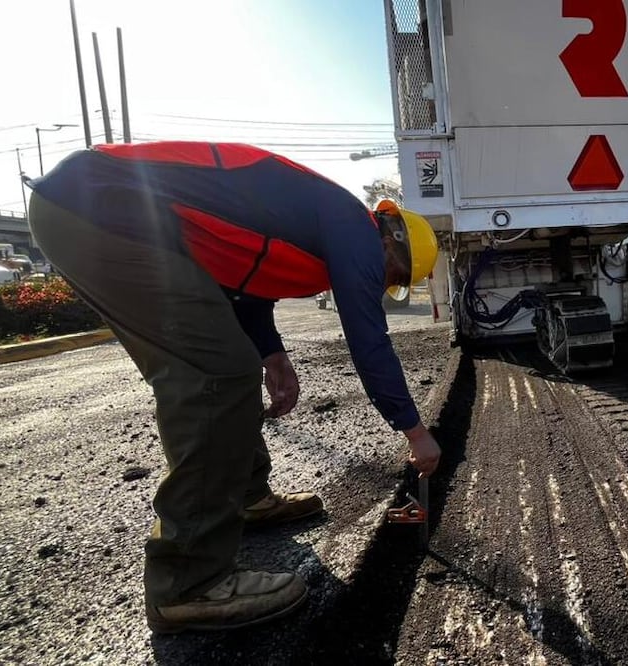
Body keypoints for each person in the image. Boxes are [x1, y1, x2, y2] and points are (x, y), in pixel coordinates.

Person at [26, 141, 442, 634]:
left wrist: (270, 352)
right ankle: (187, 582)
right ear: (390, 239)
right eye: (391, 275)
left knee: (232, 365)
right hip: (102, 211)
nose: (380, 284)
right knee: (217, 374)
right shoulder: (351, 223)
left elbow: (246, 282)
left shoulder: (312, 219)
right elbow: (368, 341)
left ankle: (245, 498)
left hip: (98, 212)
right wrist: (415, 431)